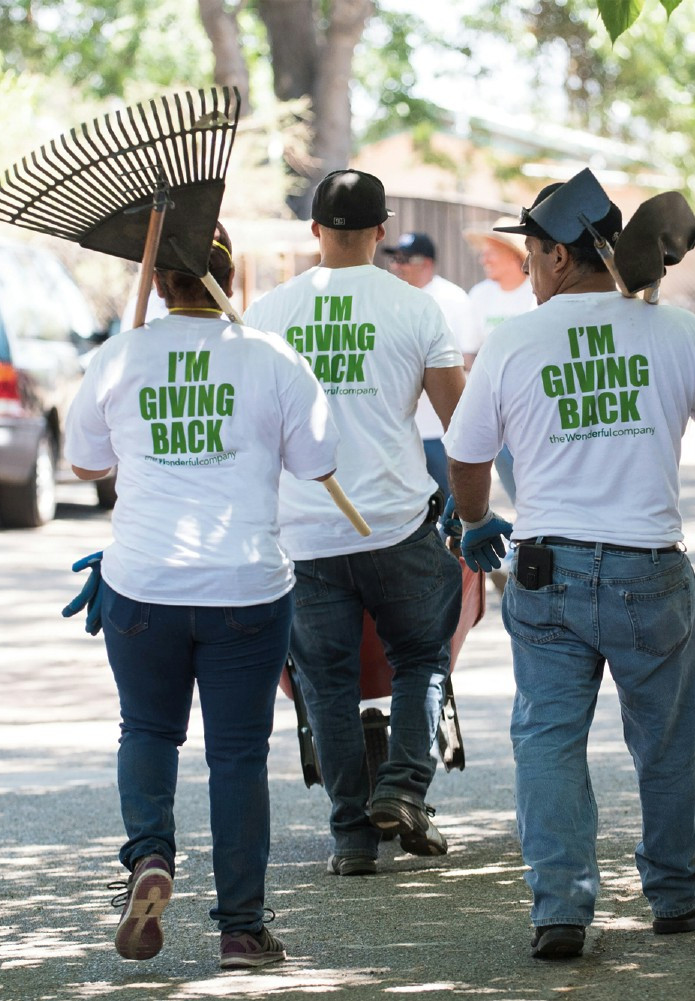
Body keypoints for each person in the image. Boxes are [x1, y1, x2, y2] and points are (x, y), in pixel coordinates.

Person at [442, 172, 695, 960]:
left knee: (547, 740)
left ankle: (560, 910)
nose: (528, 271)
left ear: (554, 256)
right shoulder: (674, 329)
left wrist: (477, 521)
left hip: (548, 572)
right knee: (664, 740)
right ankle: (677, 894)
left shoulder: (516, 340)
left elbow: (466, 452)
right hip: (651, 573)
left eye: (531, 255)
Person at [62, 223, 339, 970]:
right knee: (239, 755)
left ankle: (150, 856)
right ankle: (242, 928)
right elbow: (321, 461)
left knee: (147, 730)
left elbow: (84, 465)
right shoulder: (271, 357)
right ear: (230, 281)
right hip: (247, 587)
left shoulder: (118, 356)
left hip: (142, 583)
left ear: (159, 283)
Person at [243, 169, 466, 878]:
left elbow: (248, 433)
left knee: (326, 683)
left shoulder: (267, 314)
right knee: (422, 656)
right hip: (397, 520)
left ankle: (351, 837)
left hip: (304, 531)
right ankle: (402, 785)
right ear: (380, 232)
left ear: (315, 230)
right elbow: (462, 426)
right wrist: (475, 506)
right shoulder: (416, 307)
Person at [383, 231, 479, 504]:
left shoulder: (453, 298)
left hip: (440, 428)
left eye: (404, 259)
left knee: (453, 506)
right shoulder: (389, 298)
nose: (397, 266)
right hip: (399, 430)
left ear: (426, 263)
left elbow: (469, 358)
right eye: (394, 259)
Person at [461, 217, 538, 505]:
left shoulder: (537, 291)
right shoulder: (479, 295)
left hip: (537, 408)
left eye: (491, 251)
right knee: (520, 495)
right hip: (501, 415)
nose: (483, 258)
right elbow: (469, 353)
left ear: (513, 254)